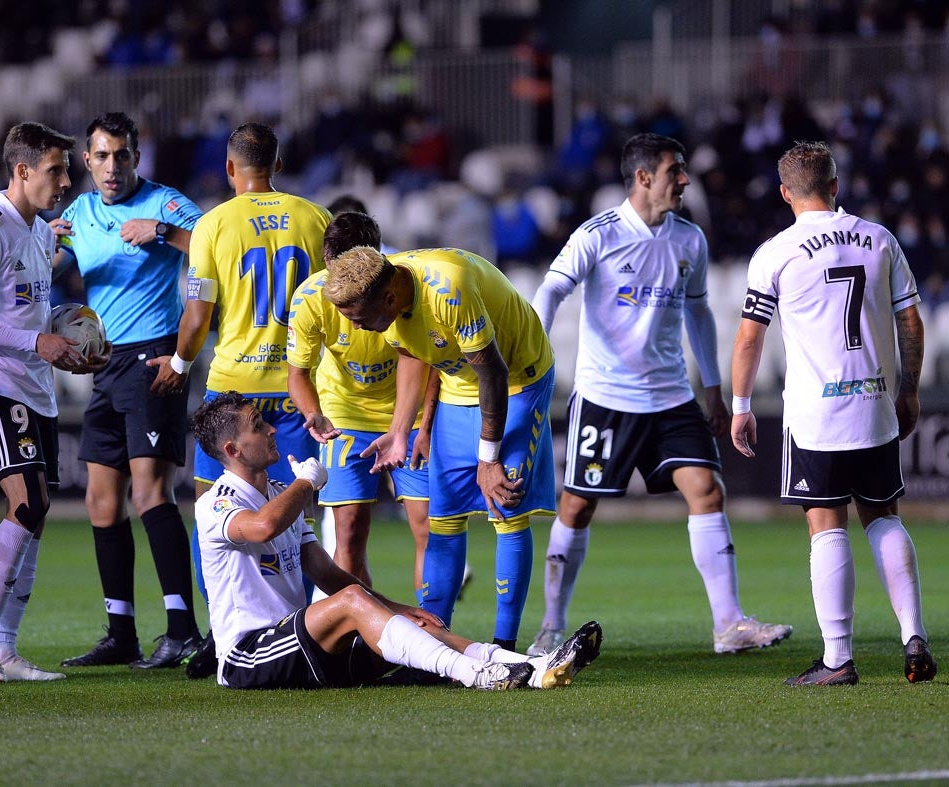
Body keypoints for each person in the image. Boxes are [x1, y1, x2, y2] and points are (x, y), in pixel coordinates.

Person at [527, 132, 792, 657]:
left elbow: (698, 313)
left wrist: (712, 390)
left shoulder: (689, 238)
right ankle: (551, 628)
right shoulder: (598, 234)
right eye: (676, 171)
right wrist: (535, 353)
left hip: (671, 396)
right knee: (576, 509)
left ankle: (729, 624)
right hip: (606, 398)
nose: (686, 180)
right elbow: (552, 288)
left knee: (707, 491)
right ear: (644, 177)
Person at [190, 391, 603, 690]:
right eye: (258, 427)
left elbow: (327, 574)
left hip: (302, 648)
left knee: (406, 621)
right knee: (353, 603)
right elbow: (263, 527)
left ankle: (531, 666)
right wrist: (307, 483)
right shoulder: (216, 503)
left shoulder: (281, 490)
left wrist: (405, 609)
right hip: (249, 655)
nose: (273, 428)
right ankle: (477, 676)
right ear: (233, 450)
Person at [731, 140, 936, 686]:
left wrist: (741, 406)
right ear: (835, 185)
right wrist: (909, 390)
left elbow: (750, 338)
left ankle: (838, 658)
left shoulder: (777, 251)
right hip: (873, 406)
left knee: (826, 526)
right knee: (884, 517)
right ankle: (913, 633)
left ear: (784, 194)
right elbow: (911, 322)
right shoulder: (879, 239)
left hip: (816, 416)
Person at [149, 122, 330, 675]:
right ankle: (311, 626)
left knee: (213, 513)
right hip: (299, 390)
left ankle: (221, 635)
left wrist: (179, 364)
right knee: (303, 514)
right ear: (277, 163)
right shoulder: (313, 218)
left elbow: (198, 315)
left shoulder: (212, 226)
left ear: (231, 169)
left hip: (234, 392)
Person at [323, 244, 555, 652]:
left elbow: (494, 374)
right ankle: (435, 644)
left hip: (517, 382)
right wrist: (405, 430)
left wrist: (489, 459)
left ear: (389, 299)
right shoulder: (388, 301)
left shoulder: (450, 289)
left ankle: (505, 646)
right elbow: (414, 356)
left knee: (505, 505)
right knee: (442, 518)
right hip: (456, 386)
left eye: (359, 319)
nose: (357, 329)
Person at [52, 112, 205, 670]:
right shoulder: (79, 212)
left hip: (153, 359)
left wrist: (163, 233)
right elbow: (45, 262)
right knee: (100, 501)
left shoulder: (165, 205)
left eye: (121, 155)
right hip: (104, 363)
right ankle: (121, 633)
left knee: (150, 494)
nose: (111, 167)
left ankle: (183, 629)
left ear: (137, 157)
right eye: (101, 157)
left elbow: (214, 250)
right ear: (86, 161)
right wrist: (34, 243)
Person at [0, 122, 84, 682]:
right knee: (26, 504)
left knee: (38, 514)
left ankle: (5, 648)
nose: (67, 180)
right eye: (56, 169)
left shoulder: (42, 233)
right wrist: (37, 342)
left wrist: (71, 342)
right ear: (22, 170)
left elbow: (29, 313)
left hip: (38, 387)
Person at [286, 211, 429, 589]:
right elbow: (297, 374)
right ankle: (357, 639)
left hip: (407, 415)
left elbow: (430, 362)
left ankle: (434, 637)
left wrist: (425, 425)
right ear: (327, 261)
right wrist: (313, 413)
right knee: (348, 534)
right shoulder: (310, 299)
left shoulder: (404, 289)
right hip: (344, 417)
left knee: (427, 529)